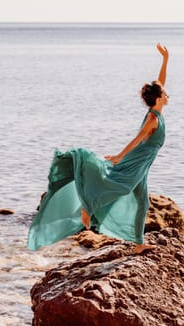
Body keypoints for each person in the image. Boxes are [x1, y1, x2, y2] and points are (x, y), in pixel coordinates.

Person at [28, 43, 169, 254]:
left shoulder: (156, 110)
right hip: (137, 162)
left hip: (144, 164)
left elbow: (161, 82)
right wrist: (119, 157)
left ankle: (138, 245)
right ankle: (88, 207)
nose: (168, 95)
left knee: (142, 202)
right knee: (120, 187)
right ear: (158, 100)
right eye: (165, 94)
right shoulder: (152, 119)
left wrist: (165, 60)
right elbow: (136, 140)